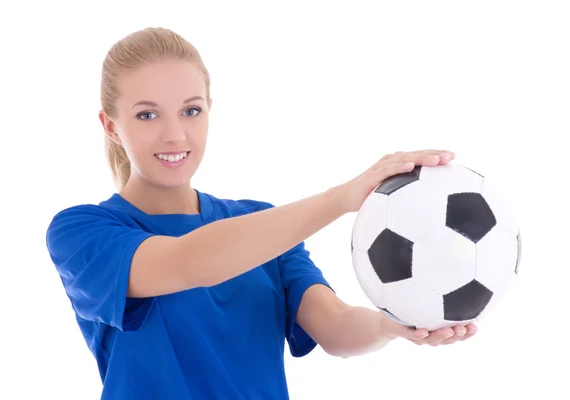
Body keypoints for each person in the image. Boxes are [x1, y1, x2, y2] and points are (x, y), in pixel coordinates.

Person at [45, 27, 477, 400]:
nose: (175, 134)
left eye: (190, 110)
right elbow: (188, 262)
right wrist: (339, 199)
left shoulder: (262, 223)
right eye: (147, 114)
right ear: (111, 126)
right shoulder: (82, 231)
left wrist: (393, 326)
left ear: (209, 111)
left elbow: (334, 326)